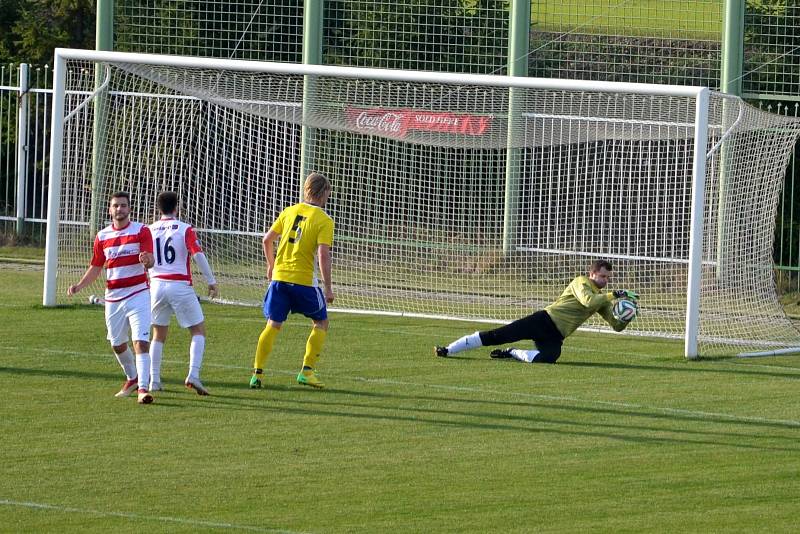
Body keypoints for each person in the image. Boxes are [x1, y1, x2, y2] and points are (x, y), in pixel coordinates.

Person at [434, 259, 638, 363]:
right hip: (543, 320)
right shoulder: (581, 282)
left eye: (608, 278)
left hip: (556, 334)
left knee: (549, 357)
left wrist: (627, 316)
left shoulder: (602, 299)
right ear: (592, 273)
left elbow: (616, 325)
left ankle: (512, 353)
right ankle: (448, 350)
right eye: (603, 276)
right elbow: (587, 301)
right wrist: (615, 294)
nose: (606, 280)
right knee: (498, 335)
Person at [67, 191, 156, 404]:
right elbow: (96, 267)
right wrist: (79, 286)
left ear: (129, 209)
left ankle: (143, 389)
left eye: (123, 205)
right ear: (110, 209)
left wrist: (147, 260)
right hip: (113, 298)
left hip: (138, 294)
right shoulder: (102, 236)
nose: (119, 209)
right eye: (116, 205)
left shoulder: (141, 231)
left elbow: (151, 260)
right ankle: (132, 378)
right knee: (117, 344)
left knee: (141, 342)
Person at [249, 172, 335, 390]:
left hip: (279, 278)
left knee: (273, 324)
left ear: (306, 189)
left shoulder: (289, 211)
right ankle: (307, 371)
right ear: (324, 193)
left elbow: (267, 239)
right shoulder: (324, 220)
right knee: (321, 322)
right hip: (303, 281)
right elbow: (324, 255)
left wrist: (271, 264)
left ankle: (256, 374)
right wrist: (328, 287)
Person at [147, 191, 219, 395]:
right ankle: (193, 374)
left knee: (158, 335)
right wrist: (211, 281)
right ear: (176, 207)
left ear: (158, 208)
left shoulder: (149, 229)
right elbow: (198, 255)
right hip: (179, 285)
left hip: (156, 286)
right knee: (198, 331)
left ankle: (154, 380)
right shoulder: (184, 229)